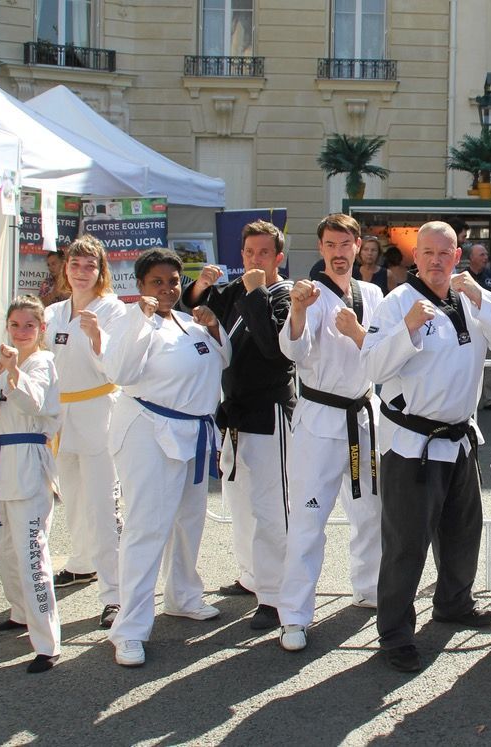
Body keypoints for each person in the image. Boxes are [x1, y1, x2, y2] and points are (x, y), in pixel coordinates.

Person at [361, 221, 491, 673]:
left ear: (458, 253)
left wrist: (482, 298)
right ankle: (395, 633)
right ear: (416, 254)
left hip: (459, 436)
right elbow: (371, 364)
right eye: (427, 252)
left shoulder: (469, 297)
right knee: (406, 543)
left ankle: (453, 602)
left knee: (463, 530)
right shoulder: (397, 303)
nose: (436, 260)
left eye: (445, 252)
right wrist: (406, 330)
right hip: (412, 443)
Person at [103, 249, 230, 667]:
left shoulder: (187, 320)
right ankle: (129, 628)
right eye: (157, 282)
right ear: (140, 285)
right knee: (146, 529)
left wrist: (213, 330)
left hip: (192, 432)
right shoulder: (131, 319)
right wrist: (139, 317)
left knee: (188, 521)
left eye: (173, 281)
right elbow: (119, 371)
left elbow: (222, 361)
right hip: (148, 430)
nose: (167, 289)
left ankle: (182, 595)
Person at [277, 214, 385, 651]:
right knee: (308, 519)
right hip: (319, 419)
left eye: (346, 244)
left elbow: (383, 352)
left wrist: (358, 333)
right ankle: (295, 616)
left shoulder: (374, 294)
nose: (339, 252)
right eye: (330, 244)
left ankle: (369, 587)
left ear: (359, 247)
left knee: (371, 512)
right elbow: (293, 350)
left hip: (363, 417)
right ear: (320, 248)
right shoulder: (305, 292)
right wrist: (298, 310)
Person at [182, 221, 294, 632]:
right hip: (234, 412)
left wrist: (256, 291)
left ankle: (276, 594)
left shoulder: (284, 295)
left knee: (270, 507)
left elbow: (274, 348)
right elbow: (194, 308)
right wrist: (199, 288)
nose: (254, 260)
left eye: (264, 253)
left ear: (278, 257)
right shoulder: (236, 290)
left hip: (271, 412)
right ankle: (251, 576)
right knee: (240, 502)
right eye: (249, 253)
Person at [44, 236, 128, 627]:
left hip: (98, 408)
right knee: (73, 496)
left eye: (88, 266)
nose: (80, 272)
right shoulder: (54, 312)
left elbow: (116, 365)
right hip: (62, 412)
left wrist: (97, 339)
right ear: (65, 268)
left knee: (102, 502)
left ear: (101, 271)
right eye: (74, 264)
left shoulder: (111, 310)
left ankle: (115, 592)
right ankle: (81, 562)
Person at [0, 296, 62, 674]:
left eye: (29, 325)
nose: (21, 331)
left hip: (29, 459)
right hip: (2, 463)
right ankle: (20, 611)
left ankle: (47, 641)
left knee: (31, 552)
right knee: (6, 547)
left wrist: (13, 374)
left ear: (41, 330)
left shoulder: (43, 363)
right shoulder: (2, 365)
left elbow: (33, 403)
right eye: (15, 324)